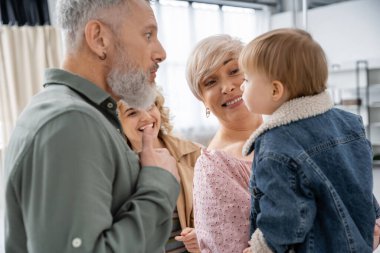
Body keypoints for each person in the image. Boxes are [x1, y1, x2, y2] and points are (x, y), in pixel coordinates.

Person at [4, 0, 181, 252]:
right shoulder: (71, 122)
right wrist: (159, 186)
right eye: (148, 34)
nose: (161, 52)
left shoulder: (83, 117)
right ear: (99, 39)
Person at [239, 28, 375, 252]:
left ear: (275, 90)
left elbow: (285, 217)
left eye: (246, 79)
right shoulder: (348, 124)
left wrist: (260, 249)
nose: (241, 87)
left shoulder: (276, 144)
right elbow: (360, 182)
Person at [185, 34, 263, 252]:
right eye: (211, 81)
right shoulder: (214, 167)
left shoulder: (291, 132)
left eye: (234, 70)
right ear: (201, 98)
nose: (227, 86)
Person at [117, 89, 201, 252]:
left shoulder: (195, 154)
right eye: (132, 112)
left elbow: (218, 219)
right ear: (117, 122)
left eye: (150, 106)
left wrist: (203, 237)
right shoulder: (115, 169)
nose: (147, 117)